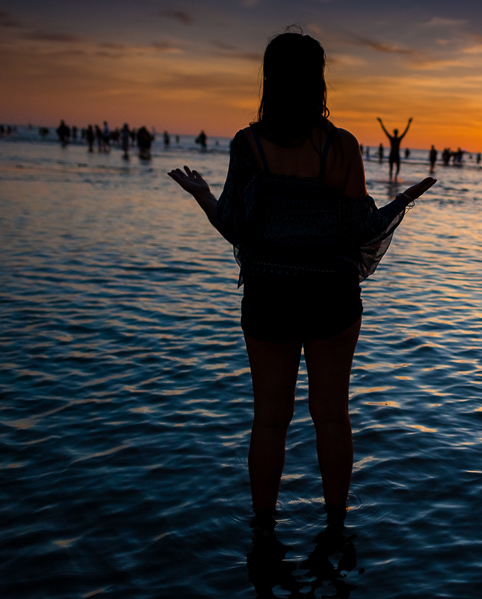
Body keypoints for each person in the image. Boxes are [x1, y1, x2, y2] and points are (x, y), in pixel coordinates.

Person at [168, 30, 437, 532]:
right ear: (319, 81)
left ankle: (263, 532)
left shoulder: (249, 145)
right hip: (332, 298)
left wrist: (202, 195)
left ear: (269, 80)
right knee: (332, 416)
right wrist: (403, 202)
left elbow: (236, 227)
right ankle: (337, 526)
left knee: (270, 420)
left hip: (270, 299)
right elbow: (362, 229)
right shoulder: (341, 147)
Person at [377, 116, 412, 181]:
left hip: (395, 155)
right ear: (395, 132)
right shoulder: (392, 139)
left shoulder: (398, 139)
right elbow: (385, 131)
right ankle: (391, 179)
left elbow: (405, 131)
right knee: (391, 168)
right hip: (393, 154)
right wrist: (381, 122)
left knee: (397, 168)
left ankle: (395, 177)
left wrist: (409, 123)